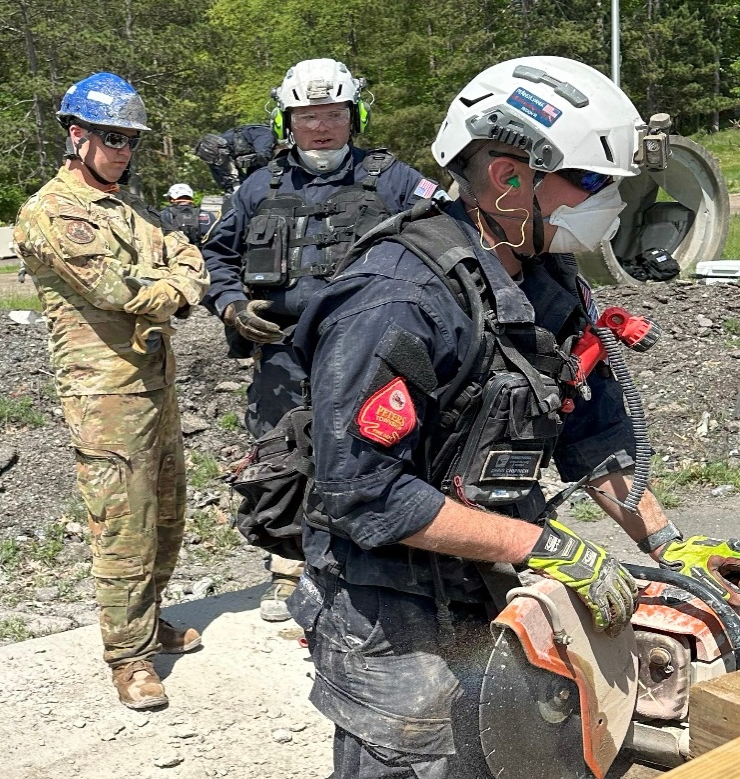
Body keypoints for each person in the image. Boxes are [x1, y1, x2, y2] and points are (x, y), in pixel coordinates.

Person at [288, 55, 740, 778]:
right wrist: (541, 546)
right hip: (388, 593)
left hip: (493, 562)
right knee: (420, 758)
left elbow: (592, 436)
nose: (614, 203)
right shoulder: (394, 300)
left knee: (516, 747)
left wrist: (666, 542)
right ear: (507, 177)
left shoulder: (543, 277)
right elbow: (361, 491)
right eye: (595, 183)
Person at [202, 57, 445, 623]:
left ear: (352, 115)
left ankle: (381, 561)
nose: (320, 126)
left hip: (372, 351)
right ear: (287, 120)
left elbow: (445, 238)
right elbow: (216, 255)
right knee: (281, 454)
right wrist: (232, 306)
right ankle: (289, 570)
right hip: (284, 351)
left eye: (332, 113)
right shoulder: (258, 187)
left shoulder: (396, 179)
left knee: (377, 447)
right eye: (306, 115)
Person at [14, 72, 209, 711]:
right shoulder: (51, 210)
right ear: (77, 136)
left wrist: (172, 280)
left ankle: (148, 627)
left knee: (168, 518)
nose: (123, 148)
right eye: (110, 136)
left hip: (156, 386)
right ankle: (128, 659)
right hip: (105, 397)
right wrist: (171, 287)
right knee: (123, 527)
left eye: (131, 138)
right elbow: (116, 290)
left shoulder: (130, 207)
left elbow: (189, 255)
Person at [195, 124, 276, 195]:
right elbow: (225, 182)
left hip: (266, 147)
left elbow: (264, 153)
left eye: (220, 156)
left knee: (263, 158)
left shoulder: (249, 134)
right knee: (248, 186)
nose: (220, 161)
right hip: (255, 163)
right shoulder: (213, 160)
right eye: (215, 160)